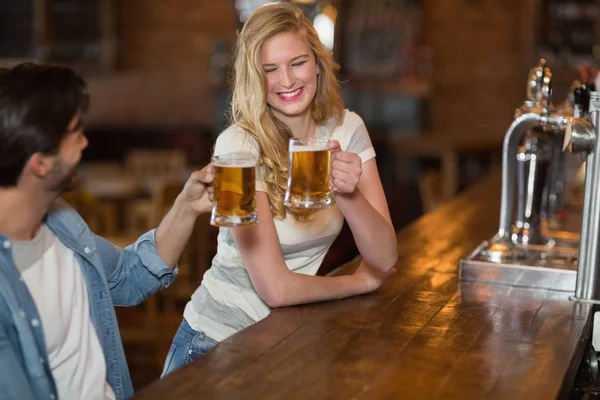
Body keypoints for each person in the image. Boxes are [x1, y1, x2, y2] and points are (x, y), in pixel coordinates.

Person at [161, 1, 398, 376]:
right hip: (213, 345)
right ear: (254, 78)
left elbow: (385, 257)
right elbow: (276, 289)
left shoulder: (346, 129)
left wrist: (348, 196)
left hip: (283, 340)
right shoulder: (236, 148)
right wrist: (358, 283)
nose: (286, 81)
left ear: (317, 62)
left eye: (297, 63)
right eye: (269, 70)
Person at [0, 63, 213, 399]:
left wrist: (187, 205)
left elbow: (129, 276)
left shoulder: (60, 222)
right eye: (75, 133)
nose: (85, 143)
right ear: (39, 162)